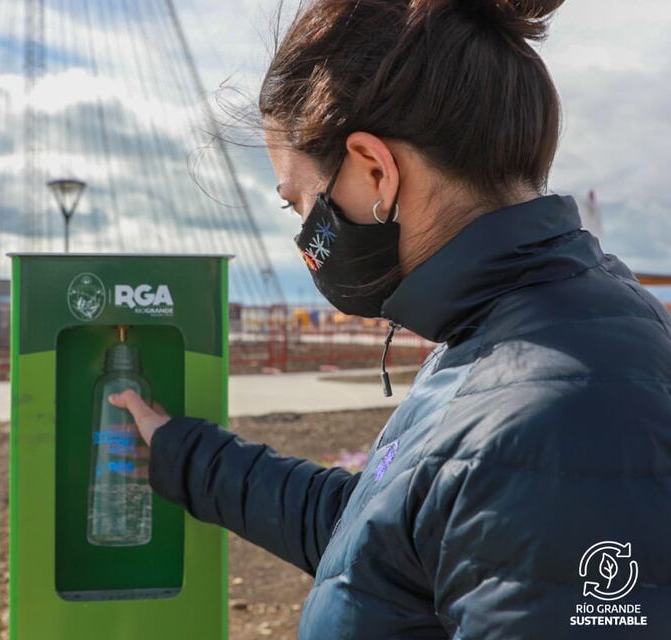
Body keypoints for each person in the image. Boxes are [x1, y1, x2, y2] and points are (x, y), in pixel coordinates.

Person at [110, 0, 671, 637]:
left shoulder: (551, 410)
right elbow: (384, 539)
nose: (308, 239)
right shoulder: (514, 334)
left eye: (301, 206)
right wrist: (188, 455)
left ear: (375, 171)